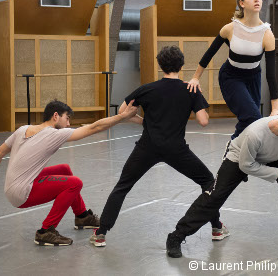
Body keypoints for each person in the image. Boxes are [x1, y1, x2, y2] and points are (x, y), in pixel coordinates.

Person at [90, 46, 228, 247]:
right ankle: (217, 228)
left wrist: (145, 122)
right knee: (208, 182)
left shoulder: (147, 89)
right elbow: (203, 121)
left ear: (160, 65)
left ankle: (101, 233)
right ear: (181, 66)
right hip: (177, 150)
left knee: (122, 186)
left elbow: (123, 112)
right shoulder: (190, 89)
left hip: (147, 147)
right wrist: (198, 101)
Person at [0, 99, 138, 246]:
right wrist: (123, 116)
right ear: (56, 116)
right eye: (67, 118)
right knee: (75, 183)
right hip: (22, 193)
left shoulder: (23, 129)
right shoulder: (54, 134)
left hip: (12, 187)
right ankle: (46, 231)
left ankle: (82, 217)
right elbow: (94, 127)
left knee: (64, 170)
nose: (68, 124)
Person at [166, 109, 278, 258]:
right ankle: (176, 236)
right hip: (240, 158)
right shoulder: (255, 134)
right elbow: (246, 165)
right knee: (215, 195)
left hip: (274, 155)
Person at [187, 0, 278, 141]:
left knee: (252, 121)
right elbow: (208, 54)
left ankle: (236, 154)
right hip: (231, 76)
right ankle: (232, 149)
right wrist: (196, 78)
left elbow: (271, 74)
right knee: (253, 116)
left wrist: (275, 108)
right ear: (241, 3)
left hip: (253, 78)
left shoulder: (267, 34)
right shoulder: (230, 29)